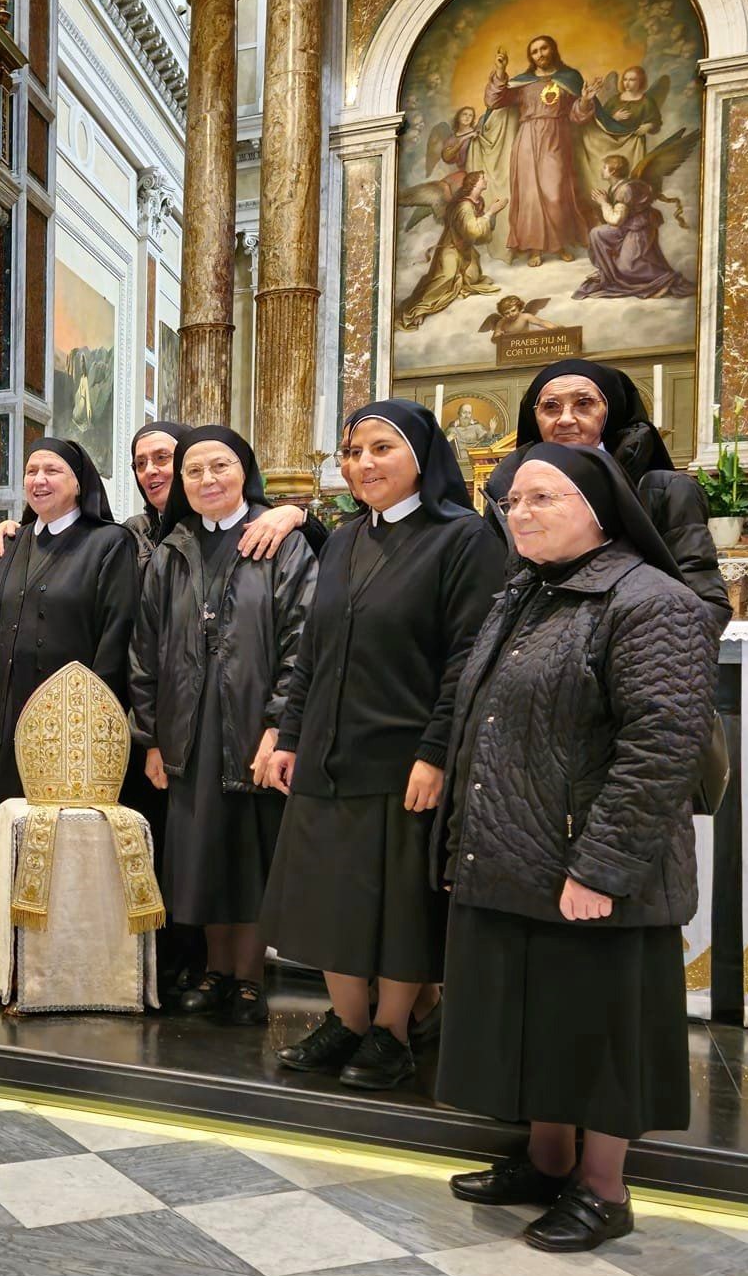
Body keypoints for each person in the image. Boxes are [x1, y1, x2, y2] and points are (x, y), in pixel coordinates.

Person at [438, 444, 716, 1253]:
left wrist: (601, 867)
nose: (518, 513)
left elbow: (660, 748)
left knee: (598, 1034)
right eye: (511, 501)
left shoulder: (650, 601)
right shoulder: (526, 591)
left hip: (590, 867)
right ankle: (545, 1159)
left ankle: (602, 1189)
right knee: (539, 1022)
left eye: (542, 498)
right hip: (516, 850)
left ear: (600, 511)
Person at [258, 400, 500, 1089]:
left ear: (421, 456)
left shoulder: (462, 538)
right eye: (351, 451)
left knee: (398, 908)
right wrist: (289, 735)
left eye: (379, 448)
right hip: (327, 750)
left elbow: (466, 659)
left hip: (403, 755)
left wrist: (435, 752)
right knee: (327, 898)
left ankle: (392, 1032)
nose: (362, 463)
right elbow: (312, 650)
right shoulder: (342, 539)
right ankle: (347, 1019)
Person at [130, 428, 317, 1025]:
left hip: (252, 721)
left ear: (245, 471)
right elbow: (145, 648)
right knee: (201, 851)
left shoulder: (279, 541)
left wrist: (279, 726)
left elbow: (302, 639)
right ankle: (214, 970)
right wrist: (152, 739)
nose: (207, 479)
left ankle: (251, 977)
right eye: (194, 471)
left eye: (221, 466)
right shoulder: (172, 550)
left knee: (249, 850)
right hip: (188, 724)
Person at [484, 359, 728, 620]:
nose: (565, 419)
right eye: (551, 407)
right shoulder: (506, 493)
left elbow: (705, 604)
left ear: (609, 411)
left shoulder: (665, 491)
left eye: (584, 403)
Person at [0, 440, 135, 817]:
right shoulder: (10, 543)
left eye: (52, 470)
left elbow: (117, 636)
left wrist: (93, 722)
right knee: (9, 829)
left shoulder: (109, 543)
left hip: (73, 730)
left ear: (79, 482)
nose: (39, 480)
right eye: (31, 471)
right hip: (7, 723)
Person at [0, 422, 316, 573]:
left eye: (162, 458)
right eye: (140, 464)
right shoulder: (134, 530)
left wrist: (299, 516)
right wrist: (23, 531)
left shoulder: (257, 523)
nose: (150, 471)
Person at [483, 36, 604, 265]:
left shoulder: (569, 79)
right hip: (527, 140)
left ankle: (559, 245)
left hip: (556, 136)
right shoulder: (524, 83)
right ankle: (535, 248)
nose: (540, 54)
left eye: (543, 48)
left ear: (552, 49)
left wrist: (585, 100)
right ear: (531, 57)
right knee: (530, 196)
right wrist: (500, 71)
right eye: (535, 51)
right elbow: (494, 101)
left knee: (556, 192)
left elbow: (577, 117)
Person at [395, 172, 508, 330]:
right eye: (483, 178)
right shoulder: (464, 206)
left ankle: (454, 285)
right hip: (451, 248)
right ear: (475, 183)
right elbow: (472, 230)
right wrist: (491, 212)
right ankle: (419, 310)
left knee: (473, 276)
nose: (486, 180)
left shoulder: (478, 202)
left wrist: (492, 213)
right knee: (446, 277)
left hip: (466, 251)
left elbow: (480, 235)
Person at [574, 154, 696, 300]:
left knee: (627, 268)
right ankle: (608, 271)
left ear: (613, 171)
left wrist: (603, 203)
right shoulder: (617, 186)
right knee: (597, 233)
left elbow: (616, 220)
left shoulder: (625, 189)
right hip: (628, 227)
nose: (601, 170)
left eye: (605, 167)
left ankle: (668, 280)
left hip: (639, 229)